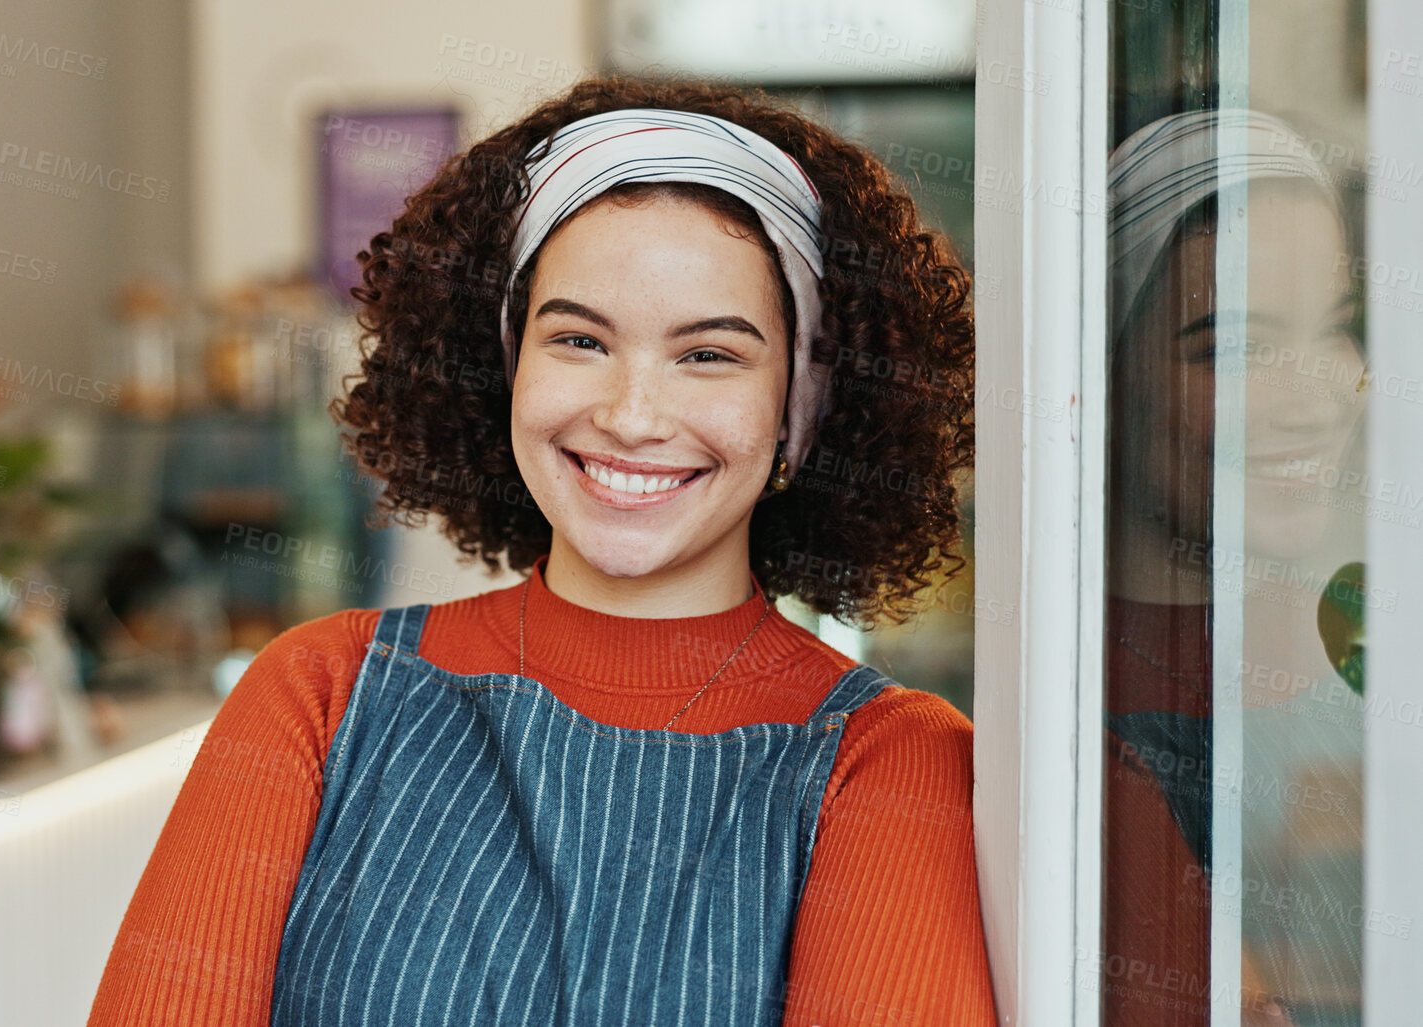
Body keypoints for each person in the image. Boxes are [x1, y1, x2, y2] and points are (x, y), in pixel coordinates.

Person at [88, 77, 988, 1026]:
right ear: (508, 363)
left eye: (710, 354)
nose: (630, 416)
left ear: (800, 408)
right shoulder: (319, 695)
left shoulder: (886, 760)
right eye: (578, 340)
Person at [1103, 110, 1366, 1026]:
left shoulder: (1361, 640)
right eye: (1236, 348)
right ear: (1108, 373)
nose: (1312, 401)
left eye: (1335, 329)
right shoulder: (1065, 714)